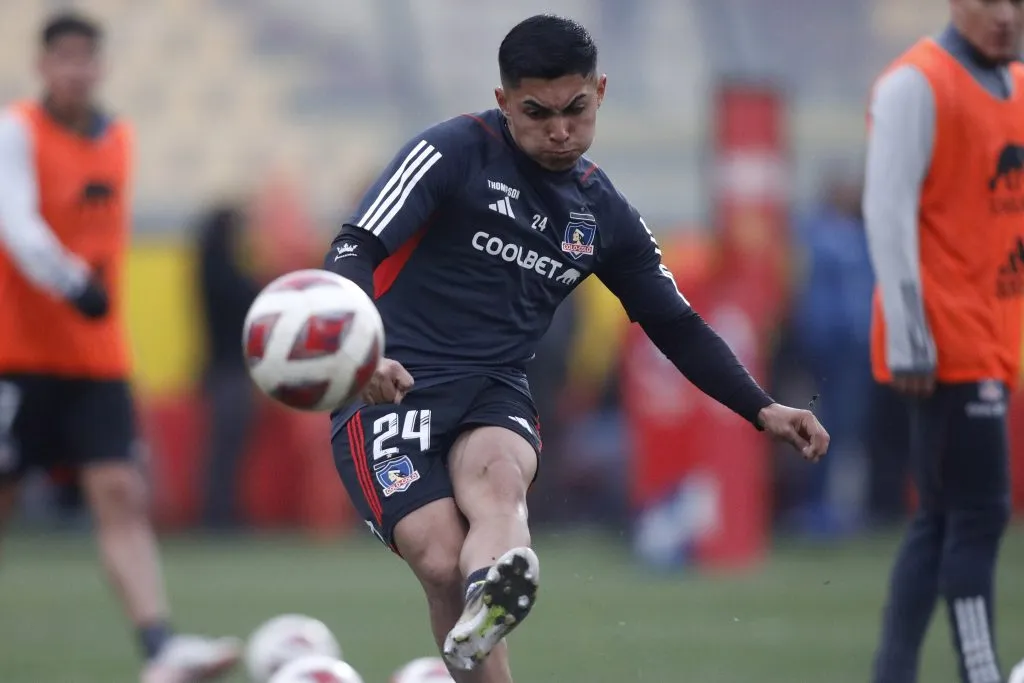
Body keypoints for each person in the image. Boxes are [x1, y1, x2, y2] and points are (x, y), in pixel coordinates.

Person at [325, 14, 829, 682]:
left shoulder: (602, 214)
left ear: (601, 92)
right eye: (537, 113)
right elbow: (355, 247)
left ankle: (496, 586)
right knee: (439, 557)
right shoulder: (452, 152)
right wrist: (360, 353)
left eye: (576, 109)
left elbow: (674, 323)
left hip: (494, 388)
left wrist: (760, 406)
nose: (560, 130)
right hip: (393, 385)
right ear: (504, 101)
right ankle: (482, 586)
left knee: (501, 484)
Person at [0, 13, 240, 683]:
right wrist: (70, 280)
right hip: (18, 351)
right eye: (63, 58)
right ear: (43, 66)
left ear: (100, 67)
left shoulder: (120, 138)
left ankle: (160, 646)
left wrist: (89, 300)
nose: (75, 71)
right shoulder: (16, 130)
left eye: (86, 58)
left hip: (97, 354)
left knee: (120, 491)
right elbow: (15, 220)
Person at [863, 2, 1024, 682]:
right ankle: (982, 673)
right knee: (980, 515)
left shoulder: (1018, 84)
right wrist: (910, 336)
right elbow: (887, 211)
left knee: (938, 519)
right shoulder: (916, 83)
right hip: (943, 344)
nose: (1006, 14)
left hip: (994, 338)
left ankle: (893, 670)